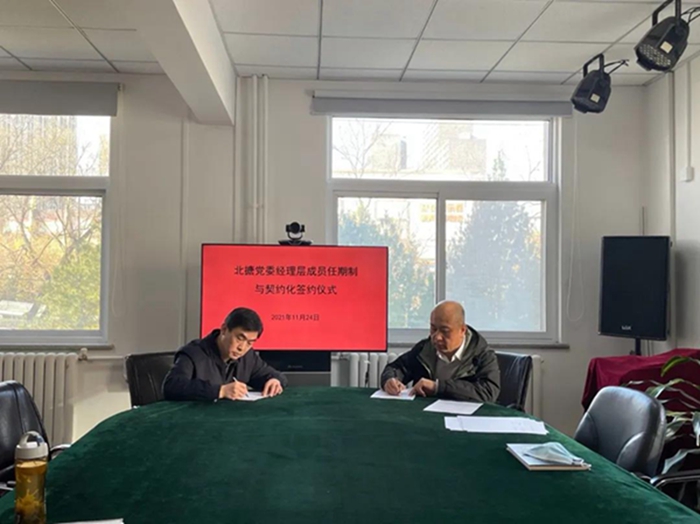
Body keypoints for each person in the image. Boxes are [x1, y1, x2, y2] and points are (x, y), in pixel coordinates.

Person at [381, 301, 500, 402]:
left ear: (462, 330)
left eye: (445, 331)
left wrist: (438, 387)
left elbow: (488, 392)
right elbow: (396, 367)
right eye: (433, 329)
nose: (437, 337)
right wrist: (390, 380)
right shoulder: (425, 349)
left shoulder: (482, 355)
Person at [163, 307, 287, 401]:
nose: (242, 348)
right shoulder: (194, 353)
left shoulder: (247, 356)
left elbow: (275, 375)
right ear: (224, 330)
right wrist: (220, 391)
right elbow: (172, 386)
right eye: (239, 338)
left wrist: (275, 381)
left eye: (250, 343)